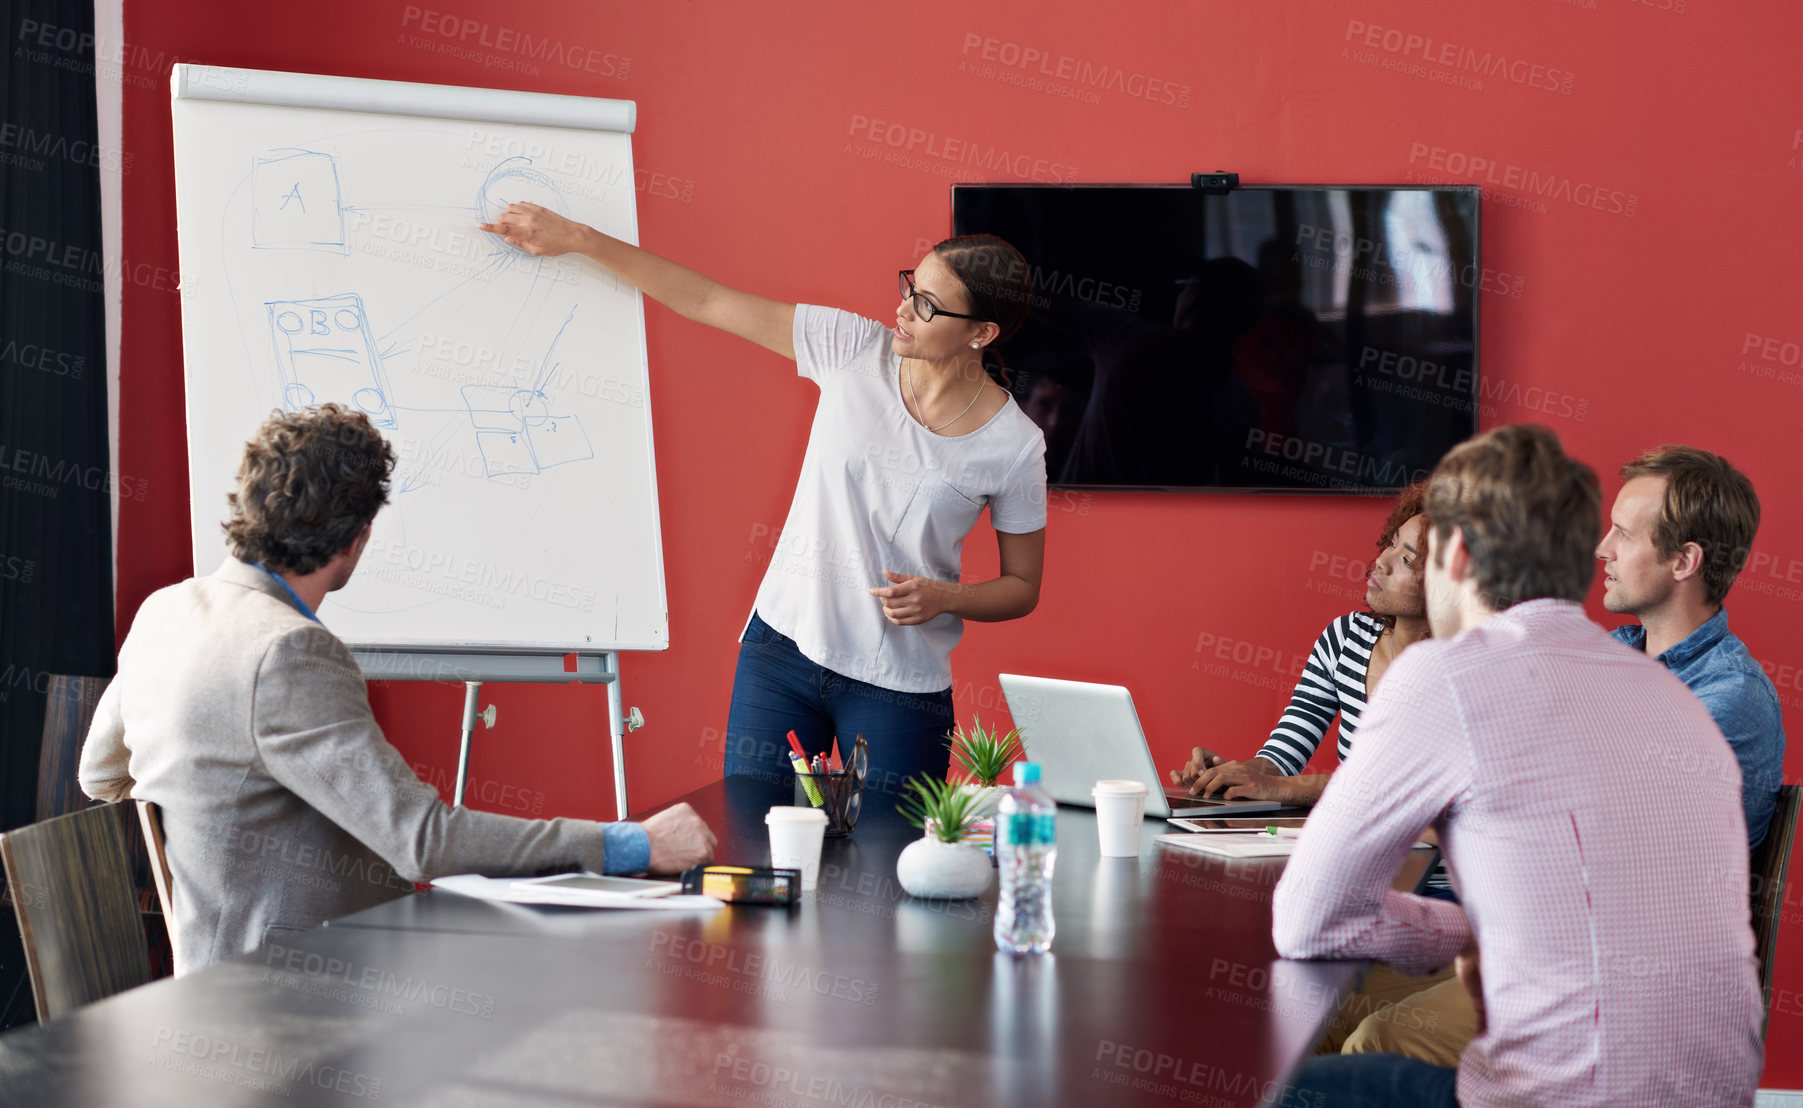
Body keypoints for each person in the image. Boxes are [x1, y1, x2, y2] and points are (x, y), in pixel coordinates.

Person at [78, 405, 716, 974]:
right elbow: (423, 842)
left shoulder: (165, 611)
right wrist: (630, 844)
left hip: (211, 974)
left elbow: (99, 775)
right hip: (295, 994)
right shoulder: (288, 651)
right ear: (355, 541)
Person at [480, 205, 1047, 798]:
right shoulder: (853, 348)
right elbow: (705, 299)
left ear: (981, 334)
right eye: (911, 286)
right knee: (751, 855)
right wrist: (578, 238)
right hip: (782, 654)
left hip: (898, 685)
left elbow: (1022, 587)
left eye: (928, 306)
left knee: (887, 876)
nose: (903, 310)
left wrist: (945, 597)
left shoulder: (1013, 446)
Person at [1272, 425, 1763, 1106]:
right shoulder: (1660, 693)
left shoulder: (1443, 675)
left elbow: (1305, 922)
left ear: (1458, 553)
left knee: (1276, 1080)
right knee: (1332, 1025)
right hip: (1715, 1091)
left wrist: (1461, 928)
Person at [1170, 478, 1432, 807]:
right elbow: (1282, 757)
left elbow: (1394, 784)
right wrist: (1228, 777)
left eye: (1407, 560)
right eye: (1391, 543)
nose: (1382, 561)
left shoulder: (1461, 671)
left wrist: (1275, 788)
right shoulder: (1345, 639)